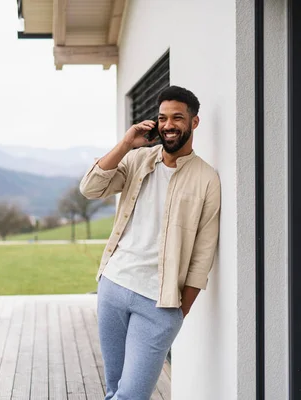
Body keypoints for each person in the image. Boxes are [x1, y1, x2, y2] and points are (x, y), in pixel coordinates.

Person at [79, 85, 221, 400]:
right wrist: (127, 143)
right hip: (114, 286)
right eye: (162, 118)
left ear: (193, 123)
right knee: (115, 389)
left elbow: (203, 253)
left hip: (159, 303)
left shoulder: (207, 179)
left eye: (177, 118)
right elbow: (90, 188)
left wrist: (179, 310)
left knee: (131, 395)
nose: (168, 124)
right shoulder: (137, 160)